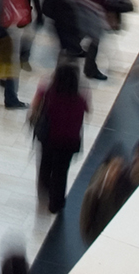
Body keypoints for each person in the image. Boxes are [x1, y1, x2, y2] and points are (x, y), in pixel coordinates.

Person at [29, 62, 89, 215]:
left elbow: (34, 108)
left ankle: (44, 192)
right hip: (70, 141)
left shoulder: (47, 92)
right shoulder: (80, 97)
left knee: (45, 165)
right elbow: (88, 110)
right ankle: (56, 203)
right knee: (61, 172)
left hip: (49, 138)